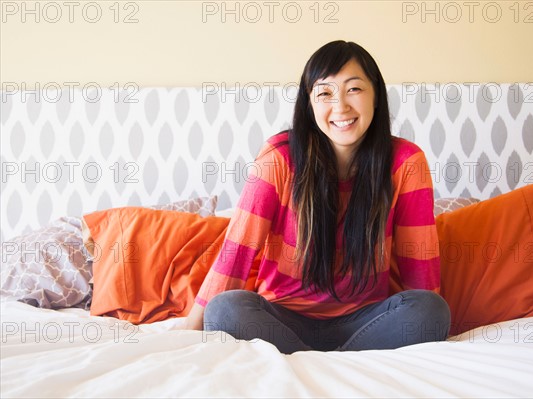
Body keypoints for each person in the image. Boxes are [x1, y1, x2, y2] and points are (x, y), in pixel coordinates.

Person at [185, 40, 450, 354]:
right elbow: (238, 249)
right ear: (309, 104)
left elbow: (418, 262)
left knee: (431, 309)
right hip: (282, 319)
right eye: (325, 93)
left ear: (376, 95)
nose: (340, 106)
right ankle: (336, 362)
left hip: (367, 322)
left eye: (354, 89)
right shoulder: (279, 157)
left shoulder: (406, 162)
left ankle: (311, 362)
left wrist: (431, 326)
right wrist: (188, 331)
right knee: (225, 310)